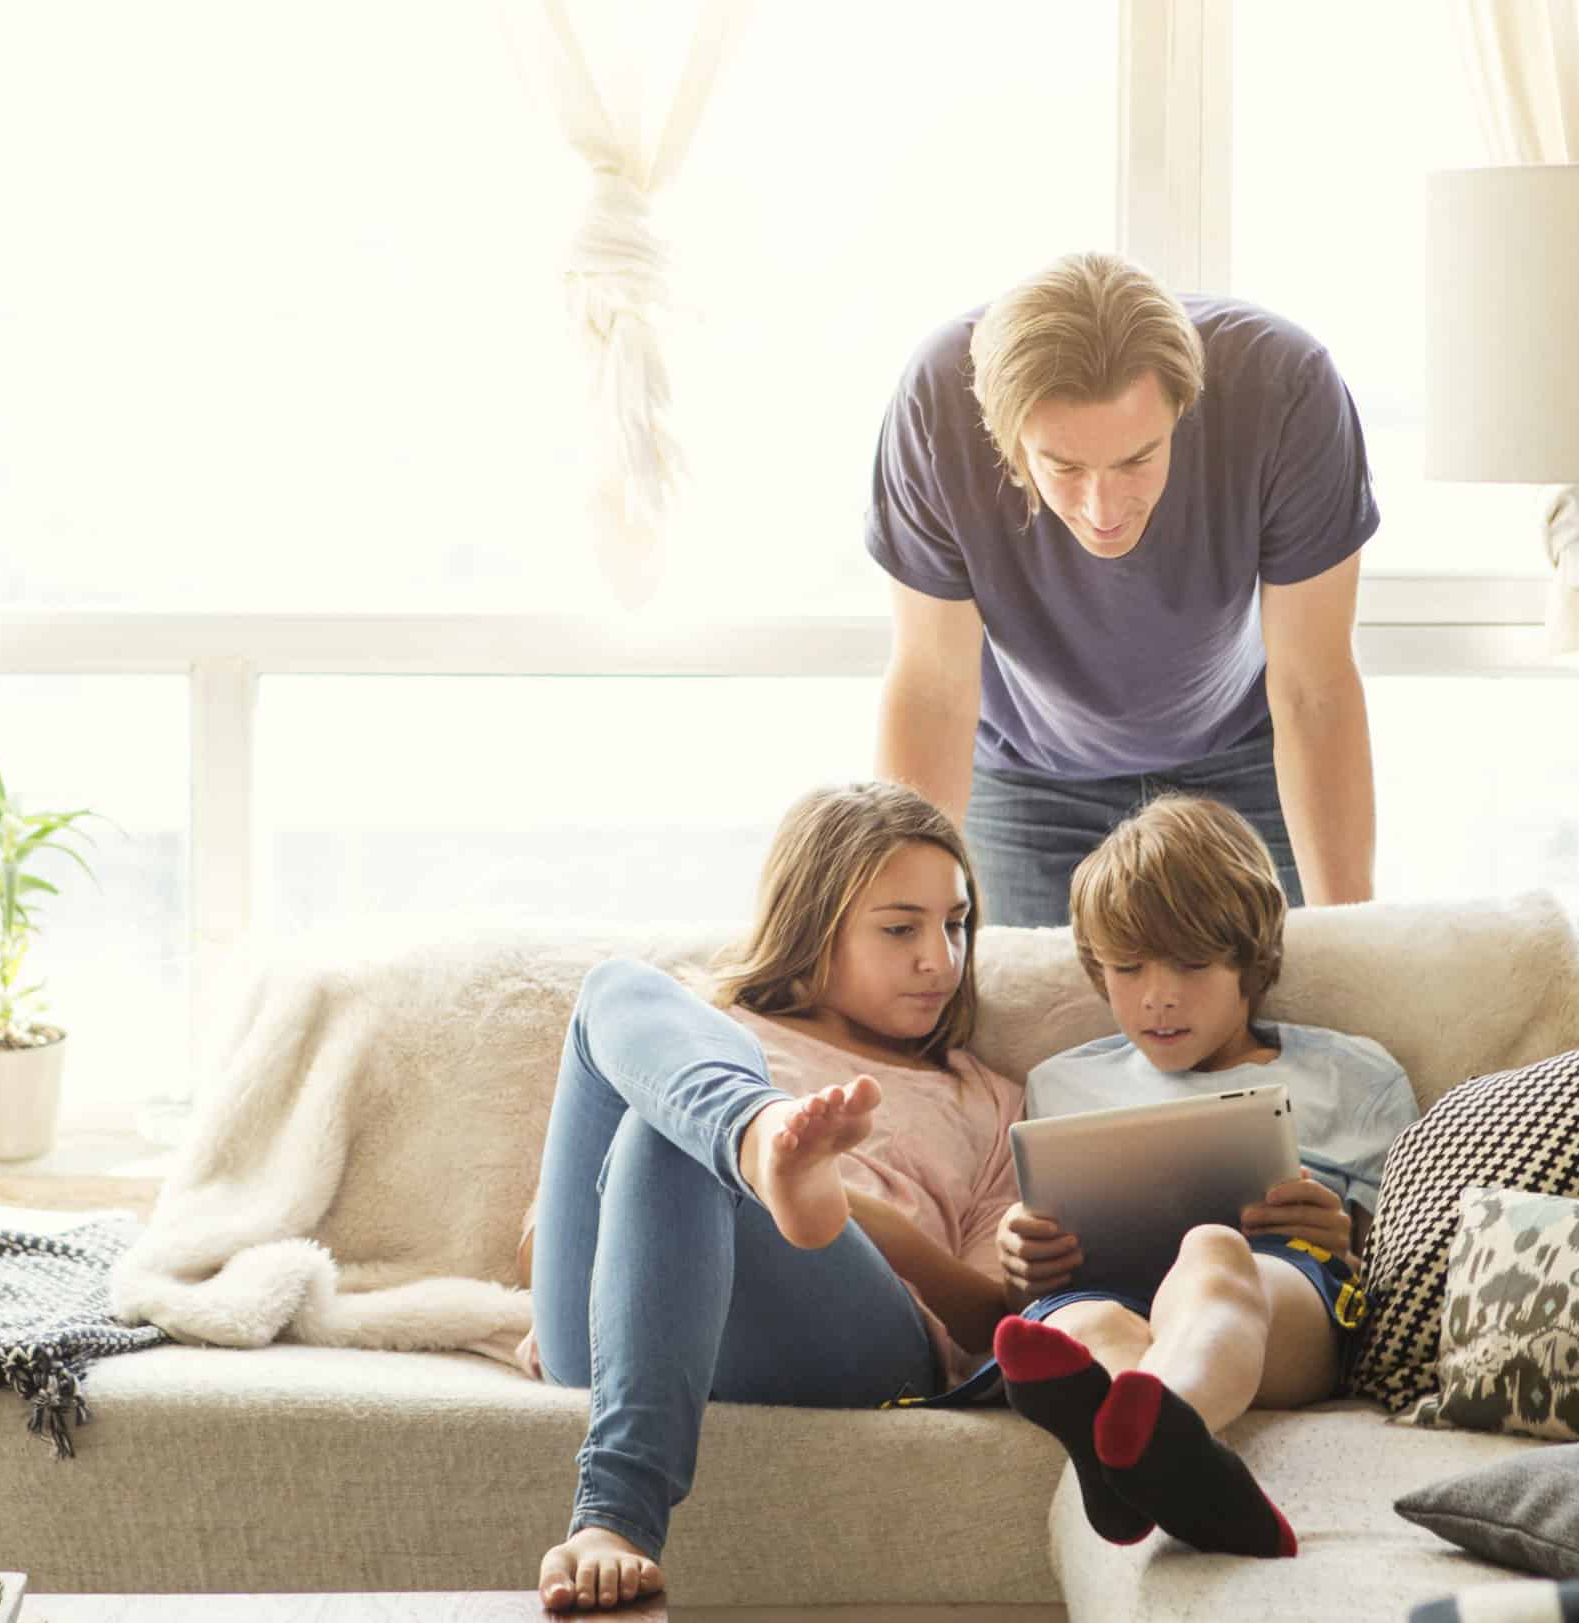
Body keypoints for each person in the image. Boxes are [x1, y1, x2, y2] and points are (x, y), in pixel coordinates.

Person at [521, 782, 1025, 1612]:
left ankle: (615, 1515)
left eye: (956, 923)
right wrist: (763, 1150)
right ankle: (754, 1139)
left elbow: (983, 1325)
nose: (939, 957)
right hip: (624, 1322)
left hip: (849, 1334)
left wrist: (862, 1214)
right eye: (901, 928)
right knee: (619, 993)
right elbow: (541, 1248)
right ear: (813, 925)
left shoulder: (987, 1099)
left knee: (671, 1133)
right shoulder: (705, 1031)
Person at [867, 250, 1381, 925]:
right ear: (1005, 433)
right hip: (1028, 772)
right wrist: (899, 925)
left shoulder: (1286, 388)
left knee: (1292, 991)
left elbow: (1315, 687)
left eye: (1138, 459)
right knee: (1016, 1015)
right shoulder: (936, 403)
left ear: (1183, 404)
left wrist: (1354, 943)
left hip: (1244, 755)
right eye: (1064, 466)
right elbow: (934, 687)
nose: (1103, 510)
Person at [988, 795, 1415, 1555]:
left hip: (1278, 1288)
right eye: (1128, 967)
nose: (1158, 994)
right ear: (1097, 969)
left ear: (1250, 961)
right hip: (1110, 1285)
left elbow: (1413, 1254)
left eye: (1189, 963)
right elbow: (1035, 1247)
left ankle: (1150, 1436)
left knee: (1213, 1252)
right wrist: (1018, 1251)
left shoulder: (1355, 1074)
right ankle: (1150, 1455)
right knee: (1075, 1323)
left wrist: (1352, 1230)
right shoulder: (1058, 1083)